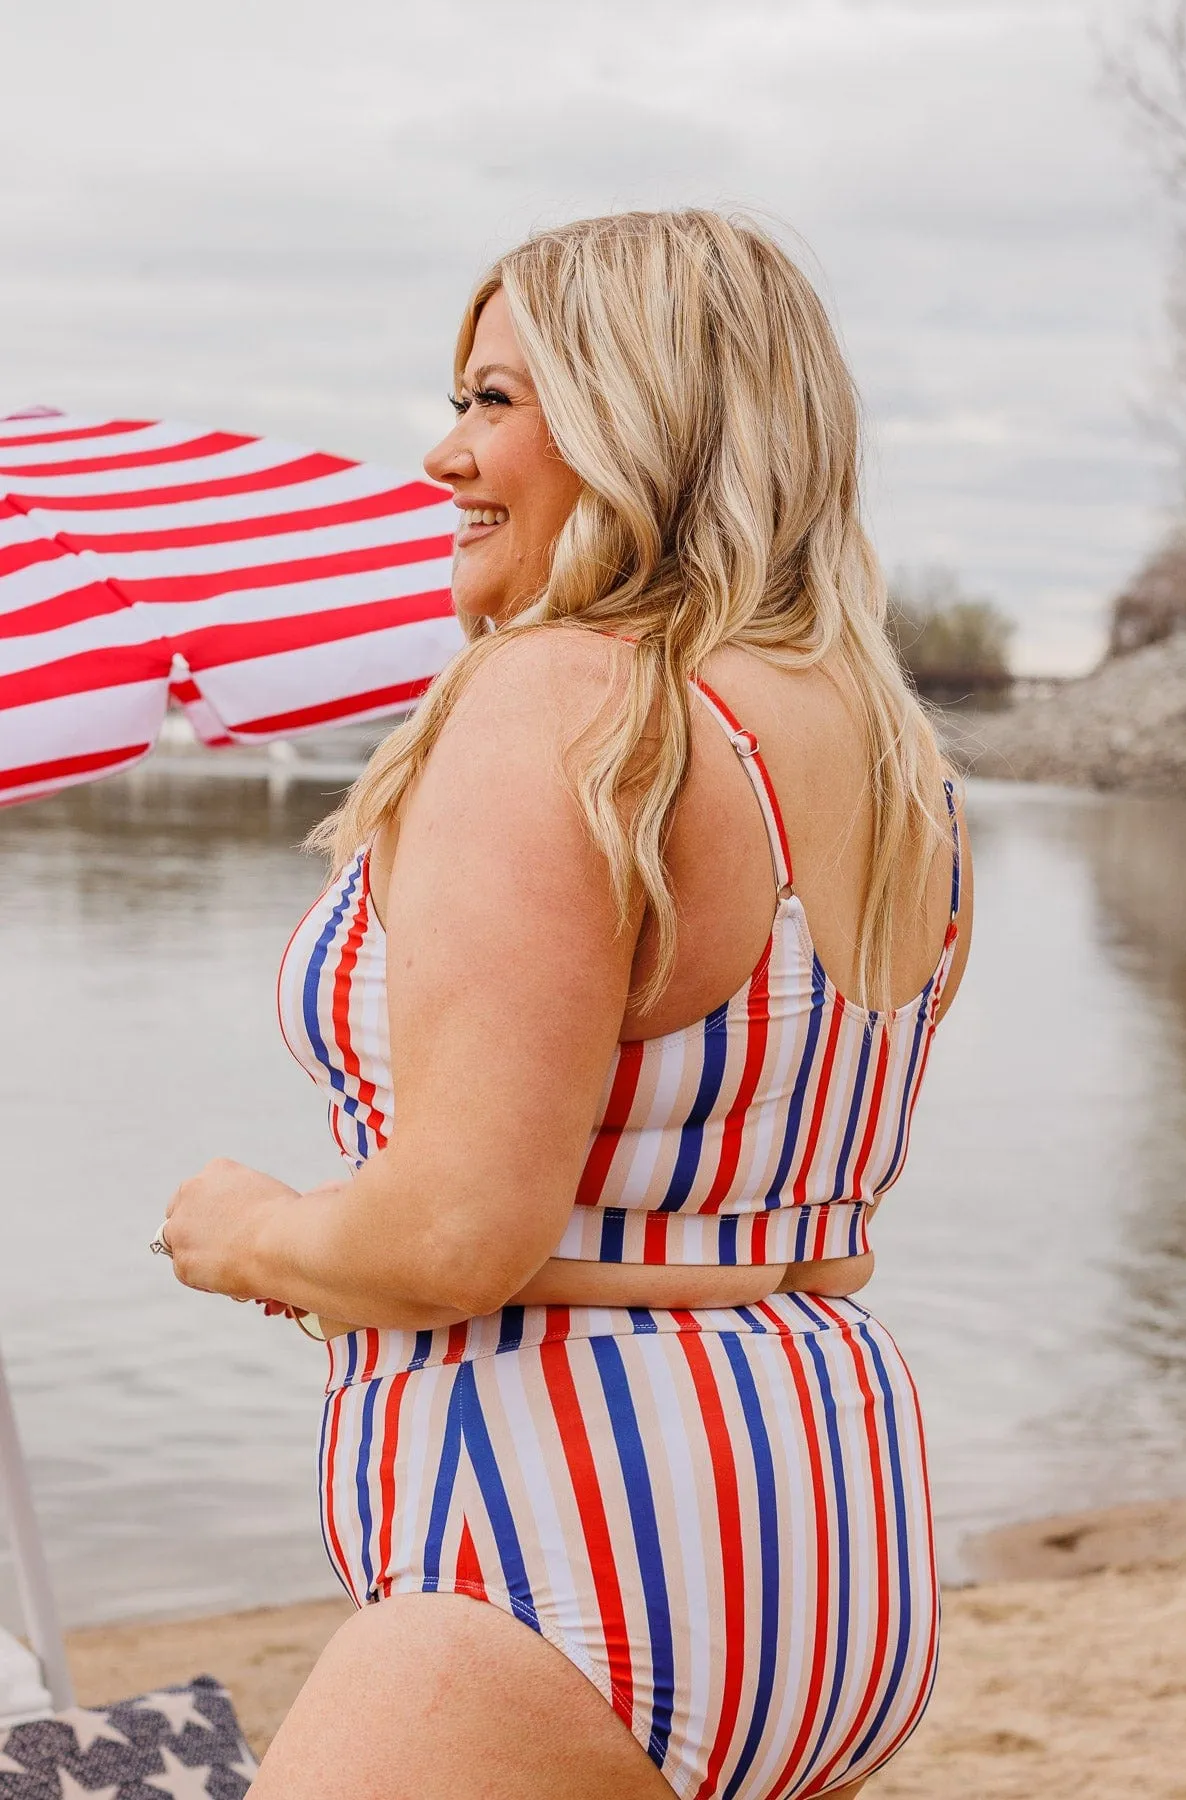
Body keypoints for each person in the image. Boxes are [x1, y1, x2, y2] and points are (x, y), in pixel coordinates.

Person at [160, 209, 973, 1800]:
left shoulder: (565, 699)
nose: (441, 458)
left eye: (492, 401)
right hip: (829, 1532)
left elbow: (455, 1232)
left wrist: (245, 1231)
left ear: (640, 413)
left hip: (559, 1560)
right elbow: (803, 1210)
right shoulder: (893, 751)